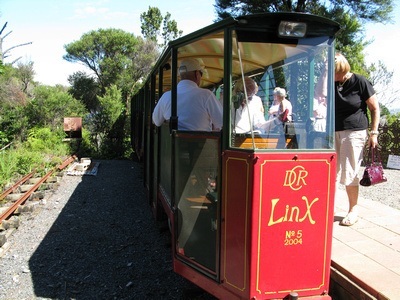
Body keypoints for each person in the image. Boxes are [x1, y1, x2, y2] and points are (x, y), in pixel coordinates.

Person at [334, 52, 380, 226]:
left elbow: (375, 108)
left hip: (354, 132)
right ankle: (331, 207)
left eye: (335, 73)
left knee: (350, 172)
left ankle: (353, 209)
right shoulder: (332, 83)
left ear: (343, 69)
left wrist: (374, 133)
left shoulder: (360, 81)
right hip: (334, 132)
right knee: (332, 172)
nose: (333, 77)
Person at [152, 58, 223, 131]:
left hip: (172, 142)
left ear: (181, 76)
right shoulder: (206, 95)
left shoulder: (165, 96)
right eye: (201, 74)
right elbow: (222, 122)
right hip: (201, 142)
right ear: (197, 74)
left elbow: (156, 121)